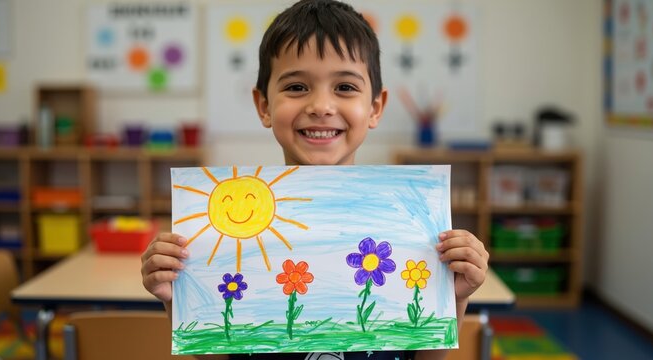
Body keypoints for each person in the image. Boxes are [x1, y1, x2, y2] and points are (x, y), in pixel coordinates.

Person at [141, 1, 489, 359]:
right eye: (296, 87)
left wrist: (455, 294)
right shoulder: (226, 229)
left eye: (345, 87)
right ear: (263, 106)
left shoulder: (412, 226)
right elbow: (215, 347)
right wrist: (177, 299)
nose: (321, 105)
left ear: (375, 107)